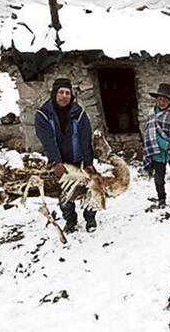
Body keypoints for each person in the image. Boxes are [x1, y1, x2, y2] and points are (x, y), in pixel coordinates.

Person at [34, 78, 97, 233]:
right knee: (64, 193)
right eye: (61, 92)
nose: (64, 96)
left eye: (67, 93)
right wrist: (56, 162)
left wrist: (88, 162)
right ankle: (70, 220)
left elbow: (85, 138)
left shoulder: (79, 114)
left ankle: (90, 217)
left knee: (90, 189)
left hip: (78, 160)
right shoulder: (43, 115)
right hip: (60, 162)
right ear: (54, 94)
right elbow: (47, 140)